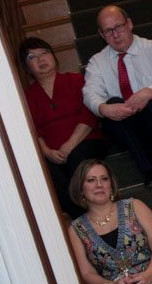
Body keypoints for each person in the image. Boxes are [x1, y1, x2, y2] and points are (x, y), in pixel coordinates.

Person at [82, 5, 152, 186]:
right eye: (108, 31)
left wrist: (149, 92)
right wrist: (103, 108)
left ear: (129, 24)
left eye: (119, 27)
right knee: (111, 105)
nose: (115, 35)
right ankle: (150, 169)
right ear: (101, 34)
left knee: (151, 102)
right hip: (130, 123)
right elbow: (90, 93)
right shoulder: (96, 62)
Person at [19, 37, 108, 218]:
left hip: (87, 141)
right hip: (52, 153)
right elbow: (32, 130)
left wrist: (68, 146)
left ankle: (97, 216)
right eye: (32, 57)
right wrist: (47, 152)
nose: (40, 59)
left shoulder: (76, 80)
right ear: (27, 68)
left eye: (44, 53)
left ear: (54, 57)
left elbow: (88, 114)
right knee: (48, 173)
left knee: (76, 160)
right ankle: (83, 221)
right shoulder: (27, 96)